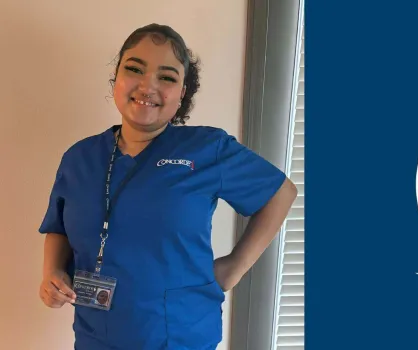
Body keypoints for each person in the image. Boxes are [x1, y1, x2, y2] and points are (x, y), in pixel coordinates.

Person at [37, 23, 298, 350]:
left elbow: (280, 193)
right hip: (97, 335)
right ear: (116, 77)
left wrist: (233, 268)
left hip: (180, 335)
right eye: (134, 69)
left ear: (182, 93)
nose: (148, 86)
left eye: (167, 77)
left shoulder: (207, 149)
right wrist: (52, 272)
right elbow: (59, 225)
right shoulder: (79, 158)